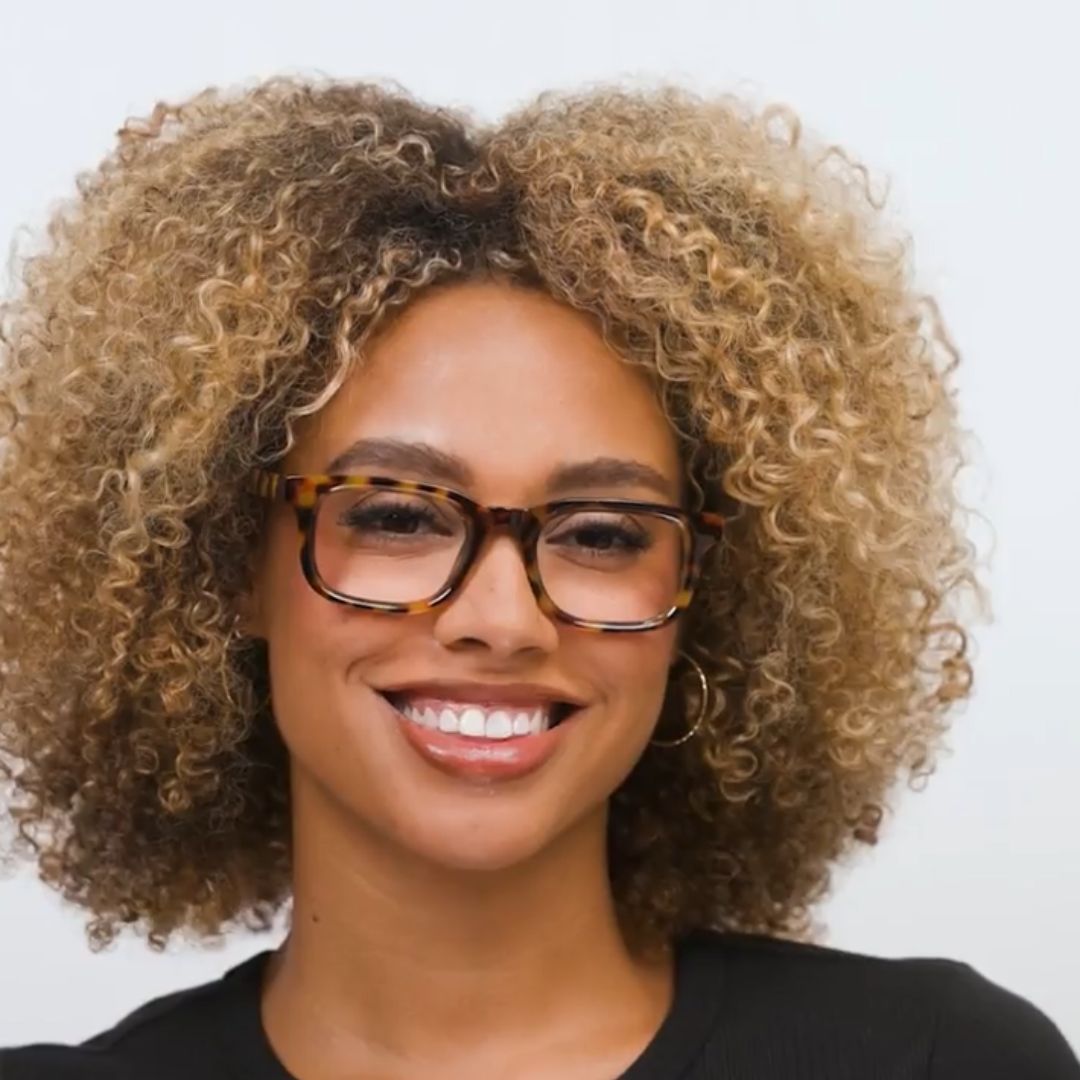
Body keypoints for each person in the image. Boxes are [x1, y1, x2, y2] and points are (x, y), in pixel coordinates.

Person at [0, 75, 1075, 1080]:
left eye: (602, 534)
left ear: (703, 589)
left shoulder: (938, 1062)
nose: (503, 618)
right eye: (397, 516)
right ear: (230, 562)